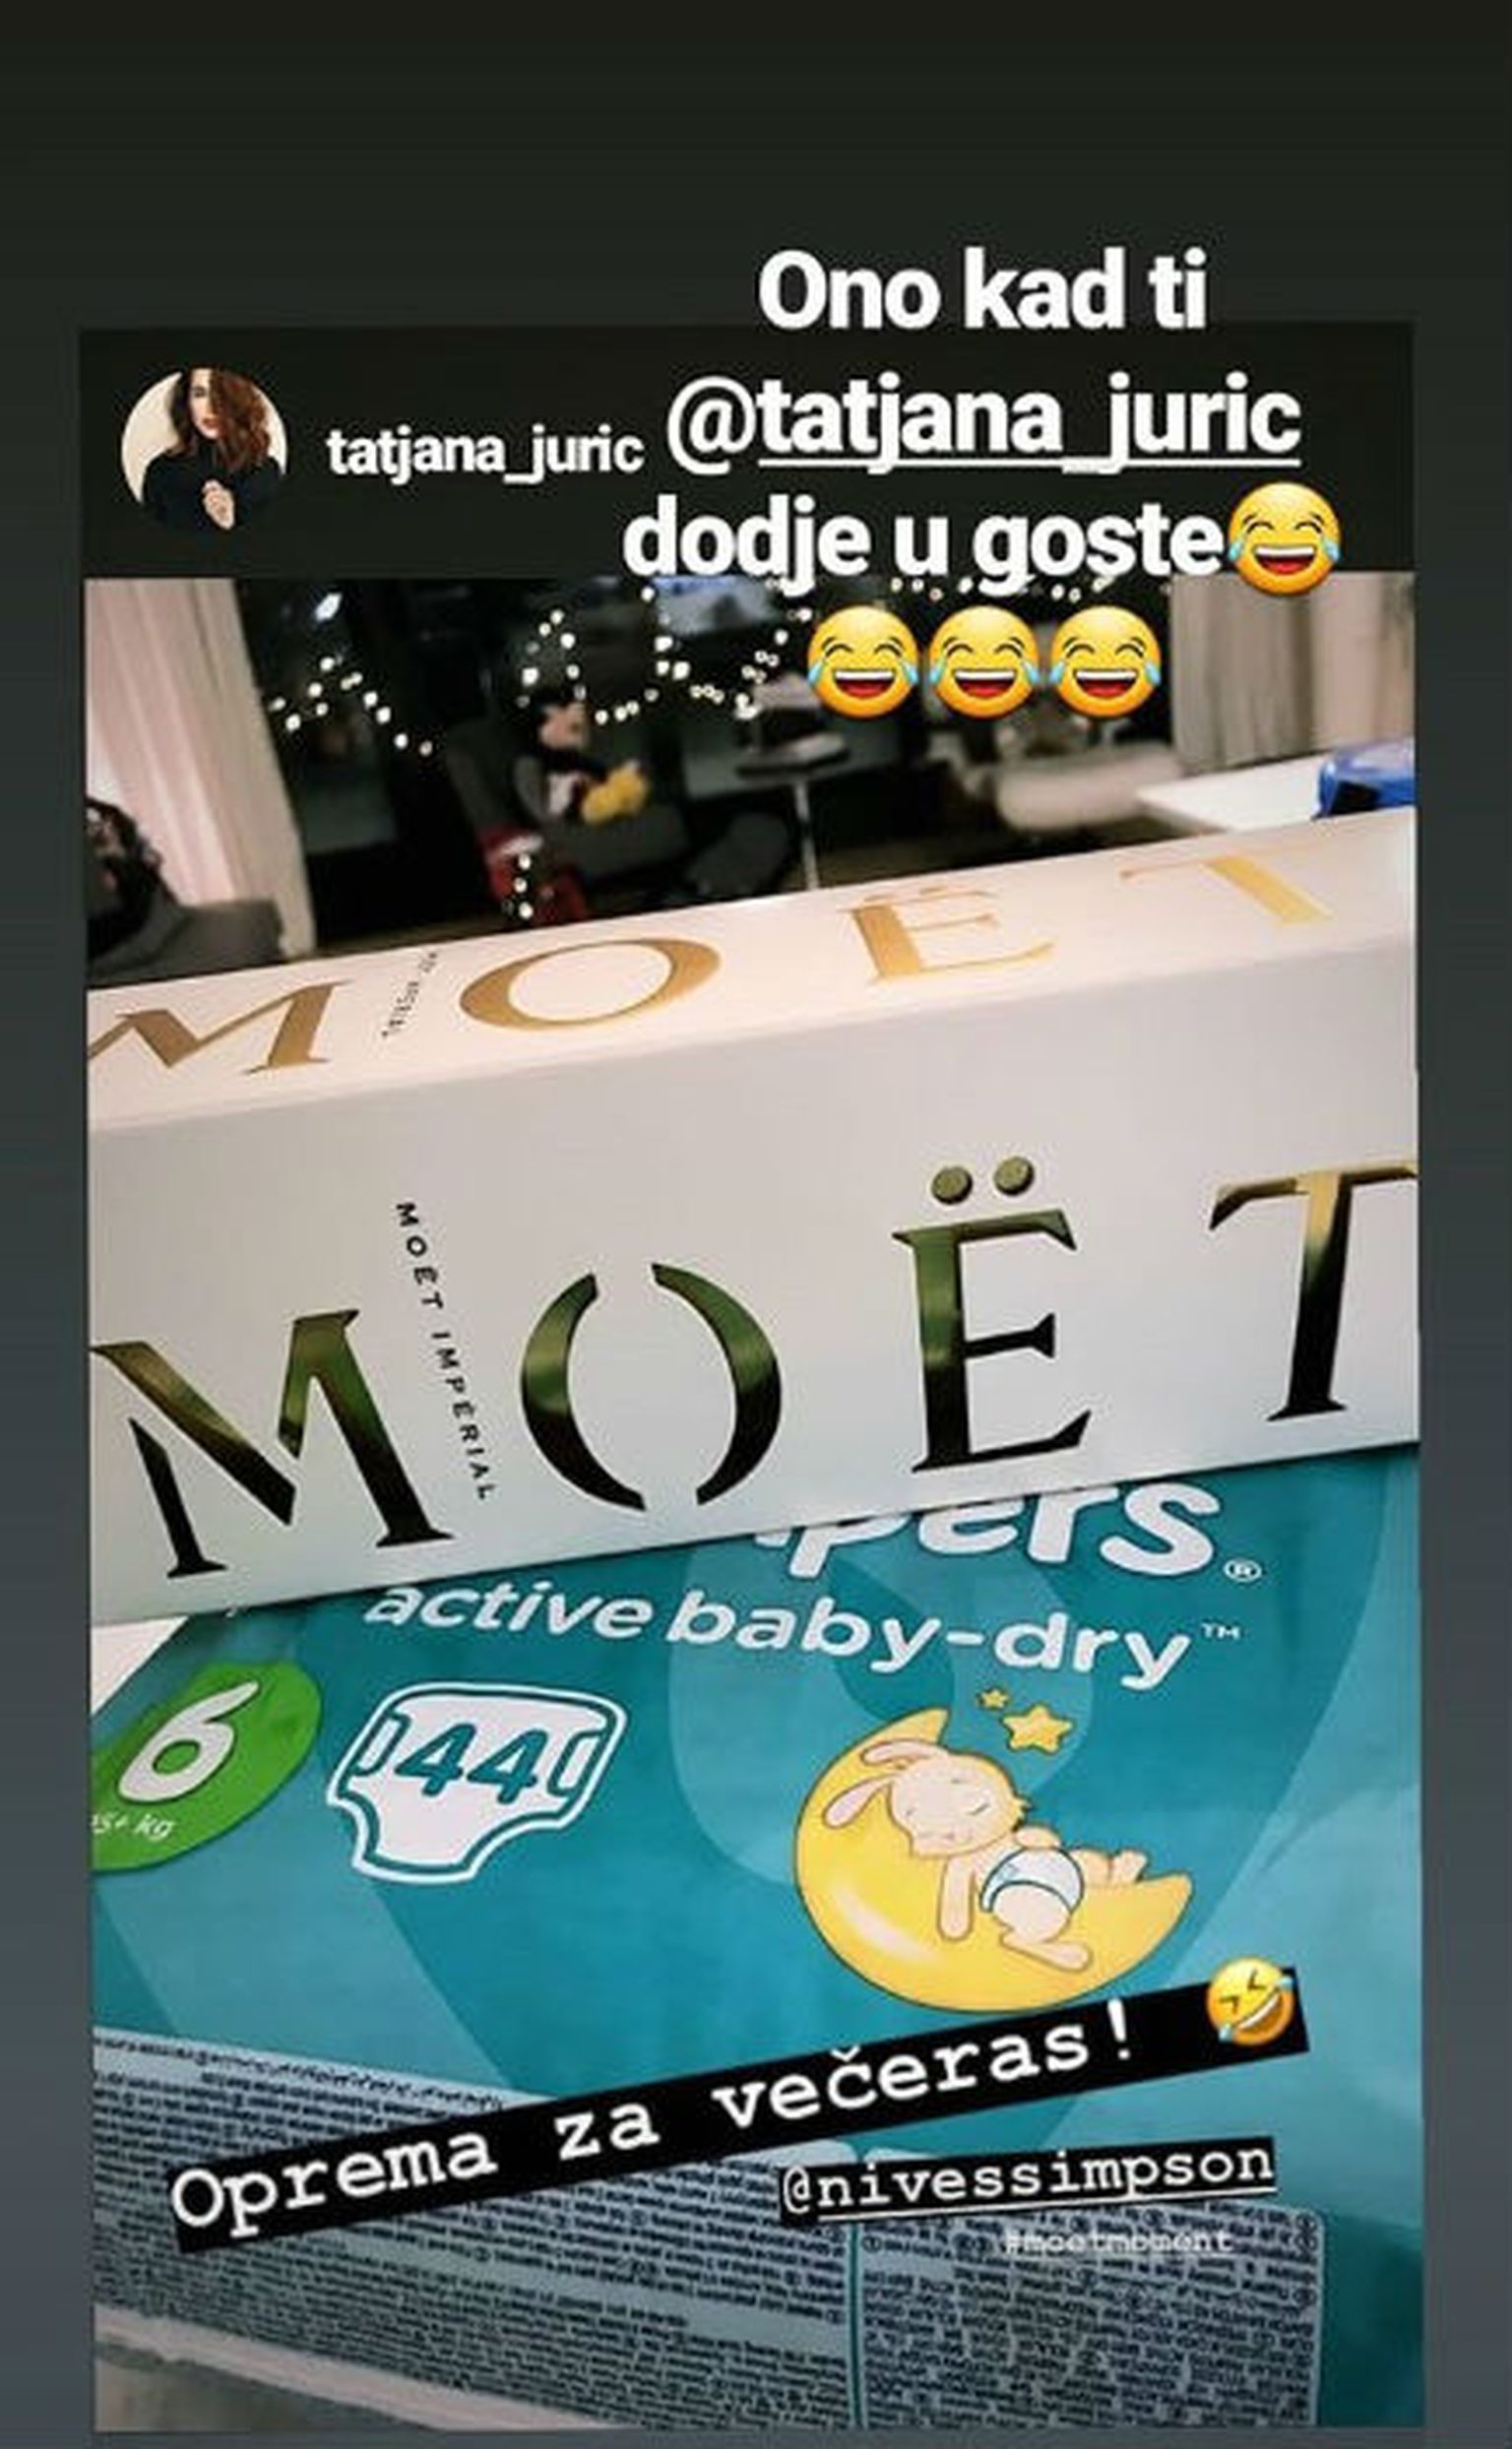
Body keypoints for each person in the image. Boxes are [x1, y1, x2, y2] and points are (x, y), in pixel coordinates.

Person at [140, 368, 283, 534]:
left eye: (221, 393)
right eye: (200, 394)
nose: (211, 407)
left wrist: (229, 524)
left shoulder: (265, 473)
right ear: (186, 401)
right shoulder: (161, 472)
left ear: (239, 401)